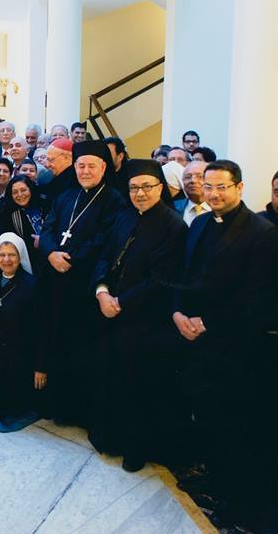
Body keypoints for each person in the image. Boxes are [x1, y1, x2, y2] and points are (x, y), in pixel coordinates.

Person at [171, 160, 278, 525]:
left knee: (233, 424)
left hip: (232, 345)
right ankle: (213, 482)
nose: (213, 193)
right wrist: (177, 312)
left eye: (222, 187)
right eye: (209, 186)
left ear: (239, 188)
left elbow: (256, 295)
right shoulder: (201, 223)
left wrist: (207, 323)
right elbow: (184, 274)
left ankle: (234, 501)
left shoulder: (260, 231)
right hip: (193, 338)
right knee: (205, 414)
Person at [89, 160, 188, 472]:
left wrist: (120, 301)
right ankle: (109, 439)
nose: (140, 193)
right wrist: (101, 291)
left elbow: (162, 280)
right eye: (134, 188)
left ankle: (135, 450)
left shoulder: (173, 226)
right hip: (110, 312)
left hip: (145, 322)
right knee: (110, 379)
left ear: (160, 188)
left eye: (147, 187)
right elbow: (105, 256)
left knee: (139, 388)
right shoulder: (124, 216)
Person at [39, 140, 126, 425]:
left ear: (103, 167)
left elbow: (105, 239)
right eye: (80, 166)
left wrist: (71, 259)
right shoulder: (66, 195)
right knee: (55, 339)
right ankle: (55, 405)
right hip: (56, 281)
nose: (85, 171)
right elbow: (49, 227)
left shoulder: (114, 200)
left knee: (80, 345)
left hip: (84, 285)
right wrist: (51, 252)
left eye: (91, 166)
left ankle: (77, 411)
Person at [0, 232, 46, 432]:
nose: (6, 260)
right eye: (2, 255)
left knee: (13, 403)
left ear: (20, 256)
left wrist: (40, 366)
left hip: (20, 353)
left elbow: (42, 329)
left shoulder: (32, 285)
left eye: (12, 255)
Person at [3, 175, 46, 272]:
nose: (20, 195)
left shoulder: (45, 203)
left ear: (30, 189)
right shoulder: (9, 214)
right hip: (31, 261)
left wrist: (44, 239)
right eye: (15, 192)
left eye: (23, 190)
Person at [40, 138, 78, 202]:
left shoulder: (77, 180)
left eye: (51, 160)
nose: (47, 165)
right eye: (47, 159)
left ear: (66, 158)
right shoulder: (47, 177)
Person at [175, 160, 209, 225]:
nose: (193, 180)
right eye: (188, 177)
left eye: (200, 177)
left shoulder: (221, 208)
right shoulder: (172, 208)